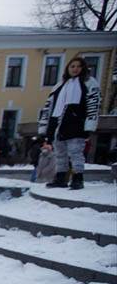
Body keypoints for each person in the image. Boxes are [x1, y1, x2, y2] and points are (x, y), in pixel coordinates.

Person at [38, 56, 101, 191]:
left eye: (78, 66)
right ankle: (61, 178)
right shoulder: (60, 85)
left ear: (83, 68)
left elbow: (93, 104)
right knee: (59, 153)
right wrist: (45, 126)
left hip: (76, 122)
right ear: (68, 68)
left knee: (75, 152)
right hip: (58, 122)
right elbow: (48, 106)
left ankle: (78, 178)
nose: (75, 69)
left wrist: (89, 124)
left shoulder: (89, 83)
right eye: (72, 66)